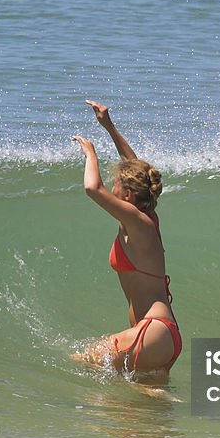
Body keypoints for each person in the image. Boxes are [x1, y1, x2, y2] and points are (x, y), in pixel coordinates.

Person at [71, 100, 182, 384]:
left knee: (84, 359)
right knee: (139, 422)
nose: (113, 186)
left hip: (154, 331)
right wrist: (108, 126)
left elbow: (92, 188)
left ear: (129, 196)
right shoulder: (145, 218)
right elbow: (135, 168)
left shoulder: (140, 222)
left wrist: (90, 153)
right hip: (160, 335)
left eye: (117, 183)